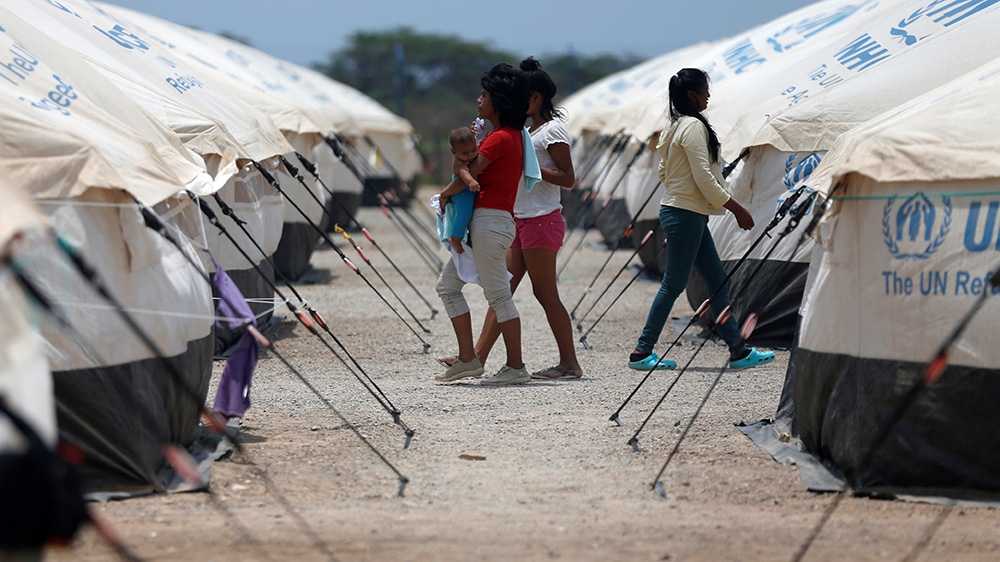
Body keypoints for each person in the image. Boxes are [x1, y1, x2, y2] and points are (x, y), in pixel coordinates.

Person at [441, 57, 582, 380]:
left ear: (536, 97)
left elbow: (568, 178)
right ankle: (476, 356)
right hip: (518, 216)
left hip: (541, 217)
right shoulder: (524, 132)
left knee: (542, 293)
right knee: (502, 288)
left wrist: (526, 167)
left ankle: (568, 363)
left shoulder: (551, 131)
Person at [627, 68, 775, 372]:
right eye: (705, 91)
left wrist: (684, 193)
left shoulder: (674, 126)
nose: (708, 96)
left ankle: (738, 350)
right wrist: (736, 208)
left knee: (716, 280)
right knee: (673, 284)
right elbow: (703, 177)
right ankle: (642, 351)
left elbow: (664, 172)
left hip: (684, 212)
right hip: (685, 215)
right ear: (692, 95)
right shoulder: (693, 126)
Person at [435, 63, 532, 386]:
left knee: (499, 296)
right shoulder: (511, 136)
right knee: (448, 287)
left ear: (499, 101)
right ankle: (468, 359)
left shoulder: (499, 138)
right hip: (491, 223)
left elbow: (466, 176)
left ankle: (515, 366)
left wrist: (444, 194)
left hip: (489, 222)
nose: (479, 100)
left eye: (485, 95)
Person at [439, 126, 480, 255]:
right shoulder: (458, 162)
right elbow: (464, 172)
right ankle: (455, 238)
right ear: (454, 152)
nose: (470, 155)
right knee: (465, 212)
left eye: (473, 150)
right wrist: (471, 181)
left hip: (470, 189)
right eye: (465, 153)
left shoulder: (471, 153)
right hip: (461, 191)